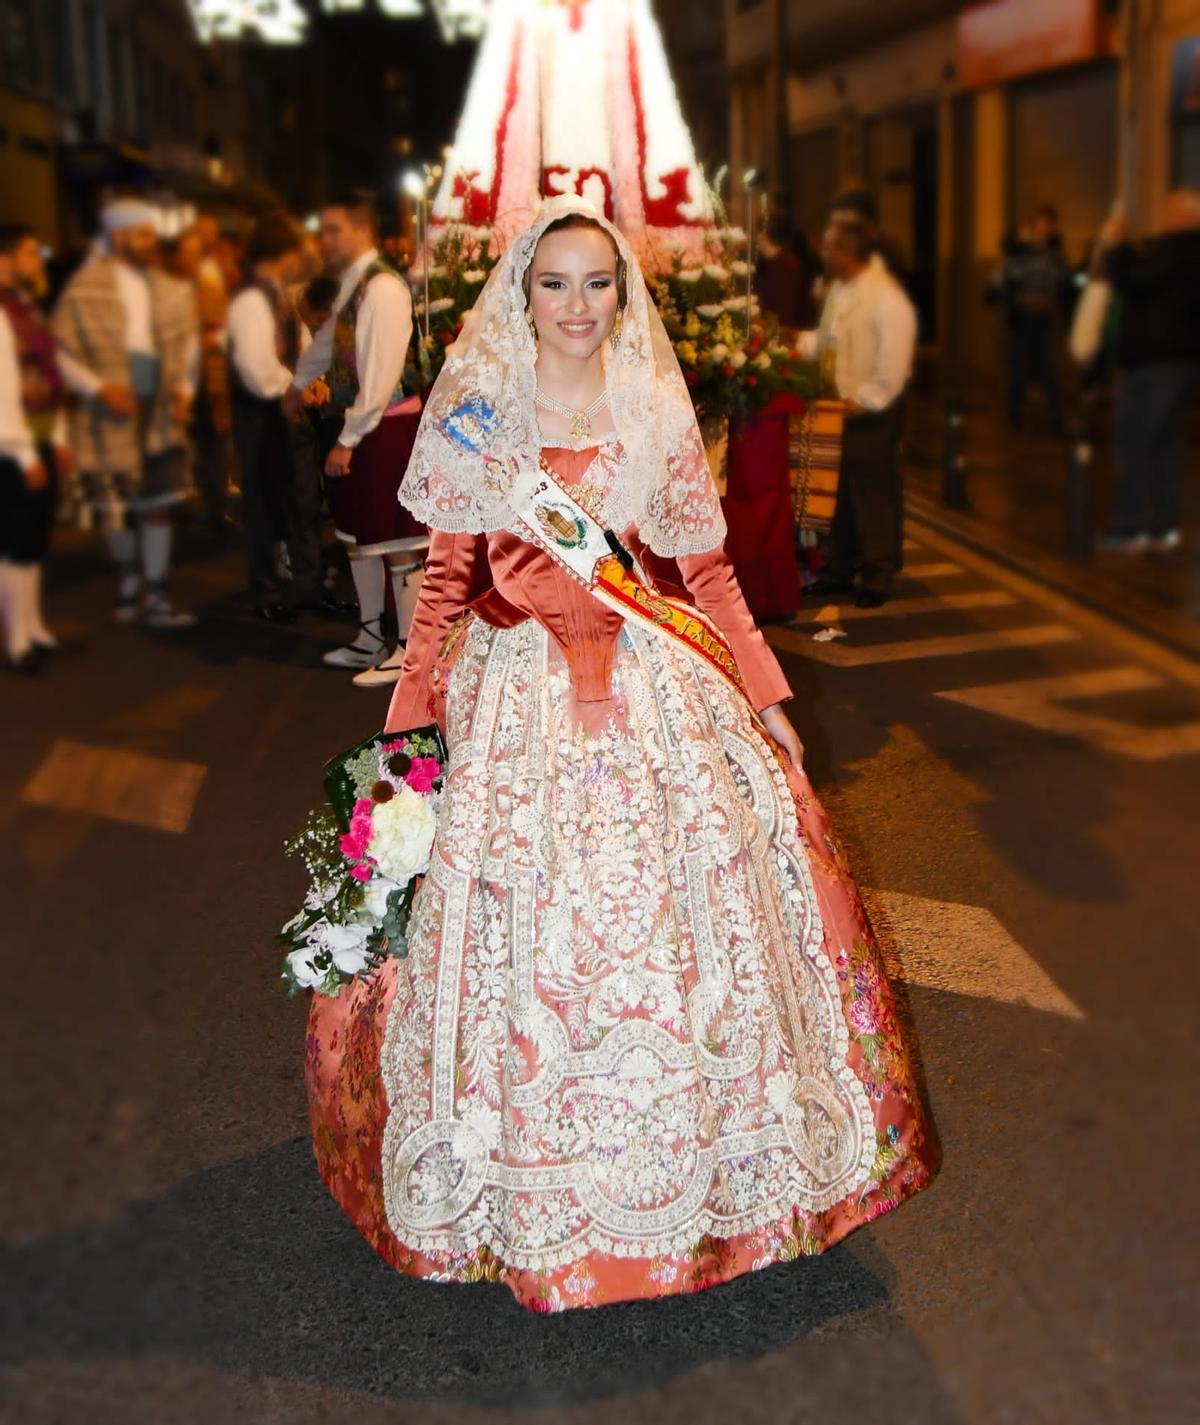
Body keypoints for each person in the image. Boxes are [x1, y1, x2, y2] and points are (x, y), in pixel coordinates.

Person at [303, 196, 937, 1314]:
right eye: (555, 283)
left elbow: (707, 572)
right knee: (521, 936)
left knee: (695, 924)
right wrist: (406, 728)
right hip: (518, 705)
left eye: (599, 282)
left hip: (653, 686)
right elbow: (446, 584)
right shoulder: (477, 413)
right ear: (521, 294)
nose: (579, 305)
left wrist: (767, 694)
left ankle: (711, 1166)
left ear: (624, 291)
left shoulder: (653, 402)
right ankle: (531, 1180)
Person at [285, 195, 428, 682]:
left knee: (396, 539)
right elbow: (326, 343)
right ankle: (371, 638)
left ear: (361, 231)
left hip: (386, 424)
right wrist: (298, 384)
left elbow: (383, 373)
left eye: (333, 231)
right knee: (358, 537)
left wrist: (348, 438)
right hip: (361, 422)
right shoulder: (353, 286)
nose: (325, 241)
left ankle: (409, 649)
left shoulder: (384, 287)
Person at [51, 199, 198, 629]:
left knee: (158, 501)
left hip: (159, 407)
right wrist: (98, 388)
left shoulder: (168, 286)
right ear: (119, 237)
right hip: (107, 409)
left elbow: (186, 344)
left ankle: (155, 591)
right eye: (143, 235)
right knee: (113, 502)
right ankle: (130, 582)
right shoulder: (84, 287)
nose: (152, 243)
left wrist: (186, 390)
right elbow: (59, 350)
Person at [797, 216, 917, 607]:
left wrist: (865, 399)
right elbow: (828, 339)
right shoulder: (839, 291)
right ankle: (840, 567)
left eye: (830, 247)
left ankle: (878, 570)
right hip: (836, 409)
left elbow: (893, 362)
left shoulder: (886, 298)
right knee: (838, 493)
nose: (823, 253)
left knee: (871, 493)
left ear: (848, 252)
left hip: (869, 413)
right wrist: (794, 344)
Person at [227, 213, 335, 622]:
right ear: (280, 255)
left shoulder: (278, 295)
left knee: (303, 501)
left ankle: (306, 587)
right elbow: (255, 365)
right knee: (263, 504)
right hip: (260, 413)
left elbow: (302, 342)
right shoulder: (251, 299)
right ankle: (267, 589)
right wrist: (297, 385)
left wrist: (315, 378)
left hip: (288, 408)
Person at [1098, 189, 1200, 553]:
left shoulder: (1179, 248)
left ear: (1182, 216)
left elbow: (1133, 277)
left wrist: (1119, 244)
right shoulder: (1187, 252)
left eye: (1168, 209)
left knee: (1136, 444)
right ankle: (1164, 525)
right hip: (1181, 363)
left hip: (1156, 365)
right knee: (1165, 447)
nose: (1161, 215)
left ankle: (1131, 527)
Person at [0, 224, 71, 672]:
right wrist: (26, 454)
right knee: (14, 541)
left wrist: (59, 436)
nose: (35, 261)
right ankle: (18, 637)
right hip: (11, 443)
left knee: (34, 537)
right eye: (27, 254)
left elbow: (50, 373)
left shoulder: (23, 307)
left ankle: (32, 623)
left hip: (39, 433)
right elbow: (4, 391)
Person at [987, 205, 1071, 433]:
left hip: (1045, 316)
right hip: (1023, 316)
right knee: (1018, 365)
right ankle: (1013, 411)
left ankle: (1055, 415)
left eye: (1048, 227)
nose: (1044, 232)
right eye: (1040, 227)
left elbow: (1064, 280)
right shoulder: (1019, 253)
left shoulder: (1055, 256)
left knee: (1049, 367)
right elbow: (1002, 278)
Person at [754, 214, 815, 332]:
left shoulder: (787, 266)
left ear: (763, 236)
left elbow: (785, 313)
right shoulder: (775, 262)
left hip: (788, 335)